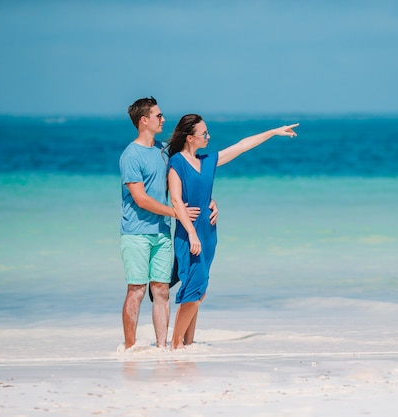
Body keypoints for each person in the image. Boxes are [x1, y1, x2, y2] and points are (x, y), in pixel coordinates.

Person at [167, 114, 299, 349]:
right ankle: (175, 345)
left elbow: (241, 145)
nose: (208, 136)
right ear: (190, 138)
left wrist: (272, 132)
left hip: (209, 235)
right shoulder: (177, 162)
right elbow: (176, 202)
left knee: (200, 291)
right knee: (192, 290)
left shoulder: (207, 161)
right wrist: (192, 233)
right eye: (204, 133)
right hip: (190, 235)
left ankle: (188, 343)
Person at [119, 97, 217, 350]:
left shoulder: (164, 152)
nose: (163, 119)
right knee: (137, 290)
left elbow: (187, 178)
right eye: (158, 116)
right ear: (144, 120)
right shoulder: (130, 155)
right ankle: (129, 348)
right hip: (136, 233)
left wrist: (210, 202)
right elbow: (140, 199)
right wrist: (177, 212)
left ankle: (162, 348)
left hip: (163, 232)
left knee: (162, 291)